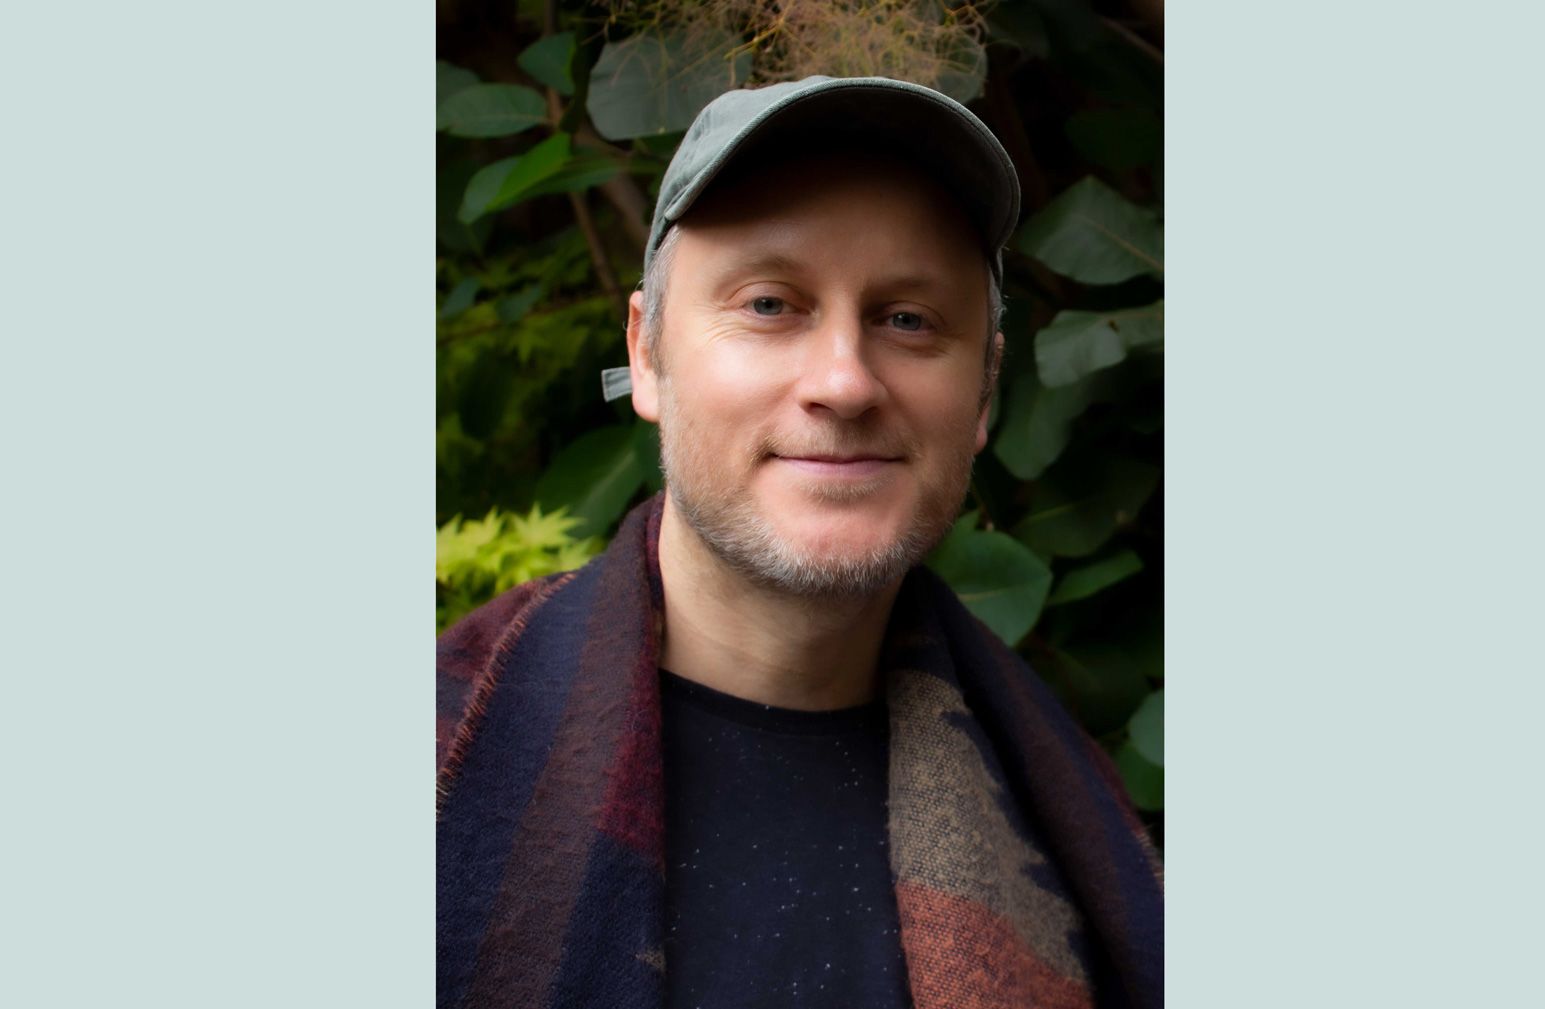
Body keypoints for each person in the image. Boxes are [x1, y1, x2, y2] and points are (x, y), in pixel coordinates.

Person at [437, 76, 1163, 1009]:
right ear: (648, 352)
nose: (844, 382)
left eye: (908, 319)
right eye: (771, 304)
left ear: (984, 391)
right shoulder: (440, 771)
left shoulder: (1079, 835)